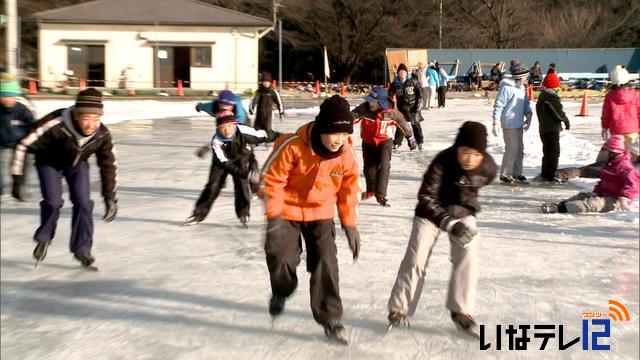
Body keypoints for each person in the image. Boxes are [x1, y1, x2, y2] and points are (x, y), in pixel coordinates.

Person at [261, 95, 361, 344]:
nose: (339, 139)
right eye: (334, 132)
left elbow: (349, 189)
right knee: (281, 256)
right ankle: (282, 290)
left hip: (321, 212)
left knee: (326, 261)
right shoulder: (292, 145)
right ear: (321, 127)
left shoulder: (345, 153)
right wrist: (274, 217)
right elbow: (271, 180)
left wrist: (349, 223)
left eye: (344, 133)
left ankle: (330, 317)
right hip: (287, 210)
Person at [386, 121, 497, 334]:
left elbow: (470, 194)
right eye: (465, 152)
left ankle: (461, 310)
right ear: (457, 148)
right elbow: (426, 196)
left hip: (463, 211)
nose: (470, 159)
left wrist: (463, 219)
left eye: (476, 154)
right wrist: (449, 222)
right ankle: (399, 309)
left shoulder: (488, 169)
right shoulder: (442, 162)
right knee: (416, 257)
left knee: (469, 254)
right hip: (430, 212)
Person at [10, 88, 117, 268]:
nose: (91, 125)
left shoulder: (102, 135)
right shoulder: (54, 125)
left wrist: (110, 197)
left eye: (96, 119)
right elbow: (23, 146)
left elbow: (109, 166)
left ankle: (82, 249)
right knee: (53, 201)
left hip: (77, 165)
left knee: (83, 202)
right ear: (76, 115)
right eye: (86, 118)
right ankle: (44, 238)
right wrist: (17, 180)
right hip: (48, 162)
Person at [184, 110, 279, 227]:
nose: (226, 130)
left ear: (235, 125)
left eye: (229, 126)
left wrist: (283, 137)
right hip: (221, 163)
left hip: (241, 157)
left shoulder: (244, 131)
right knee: (213, 185)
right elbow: (224, 162)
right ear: (218, 128)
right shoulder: (216, 141)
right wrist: (243, 173)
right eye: (222, 127)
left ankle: (243, 213)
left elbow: (264, 135)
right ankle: (198, 215)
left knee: (241, 184)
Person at [352, 87, 416, 206]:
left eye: (373, 101)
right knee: (369, 168)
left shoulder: (391, 112)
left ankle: (380, 195)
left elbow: (402, 123)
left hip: (384, 141)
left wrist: (410, 137)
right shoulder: (365, 108)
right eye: (369, 100)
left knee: (384, 166)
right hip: (368, 141)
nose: (370, 103)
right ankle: (371, 190)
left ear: (381, 102)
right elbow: (352, 117)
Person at [541, 136, 639, 214]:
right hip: (605, 194)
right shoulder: (609, 164)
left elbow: (632, 185)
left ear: (613, 153)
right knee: (582, 196)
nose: (604, 153)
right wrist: (597, 191)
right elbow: (603, 181)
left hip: (617, 200)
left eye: (607, 151)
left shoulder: (625, 167)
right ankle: (562, 204)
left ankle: (560, 208)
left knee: (591, 203)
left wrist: (624, 197)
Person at [492, 61, 532, 184]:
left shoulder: (522, 88)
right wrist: (495, 122)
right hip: (509, 124)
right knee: (512, 148)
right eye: (526, 76)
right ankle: (505, 173)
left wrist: (529, 115)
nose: (527, 78)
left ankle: (517, 172)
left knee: (520, 149)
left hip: (518, 123)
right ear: (519, 76)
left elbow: (525, 103)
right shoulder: (506, 88)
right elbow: (498, 105)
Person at [1, 73, 36, 198]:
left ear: (16, 97)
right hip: (2, 143)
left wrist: (28, 139)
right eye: (3, 96)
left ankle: (20, 187)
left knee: (20, 167)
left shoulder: (22, 109)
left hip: (19, 144)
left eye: (11, 96)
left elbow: (32, 124)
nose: (7, 100)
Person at [534, 72, 570, 183]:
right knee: (553, 152)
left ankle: (546, 173)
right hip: (551, 129)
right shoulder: (551, 98)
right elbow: (558, 112)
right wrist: (565, 120)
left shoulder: (542, 97)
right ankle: (550, 174)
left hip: (544, 129)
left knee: (547, 152)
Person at [601, 65, 640, 160]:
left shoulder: (609, 96)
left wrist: (604, 127)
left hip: (616, 129)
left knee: (617, 152)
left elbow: (606, 114)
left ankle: (619, 169)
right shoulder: (635, 94)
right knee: (634, 152)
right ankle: (633, 170)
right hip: (633, 129)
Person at [389, 63, 423, 150]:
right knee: (401, 126)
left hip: (413, 107)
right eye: (400, 72)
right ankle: (397, 143)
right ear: (398, 73)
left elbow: (419, 92)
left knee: (416, 125)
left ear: (406, 73)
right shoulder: (395, 84)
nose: (402, 74)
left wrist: (418, 104)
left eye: (404, 72)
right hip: (402, 108)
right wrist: (390, 105)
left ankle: (419, 142)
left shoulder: (413, 81)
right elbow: (389, 95)